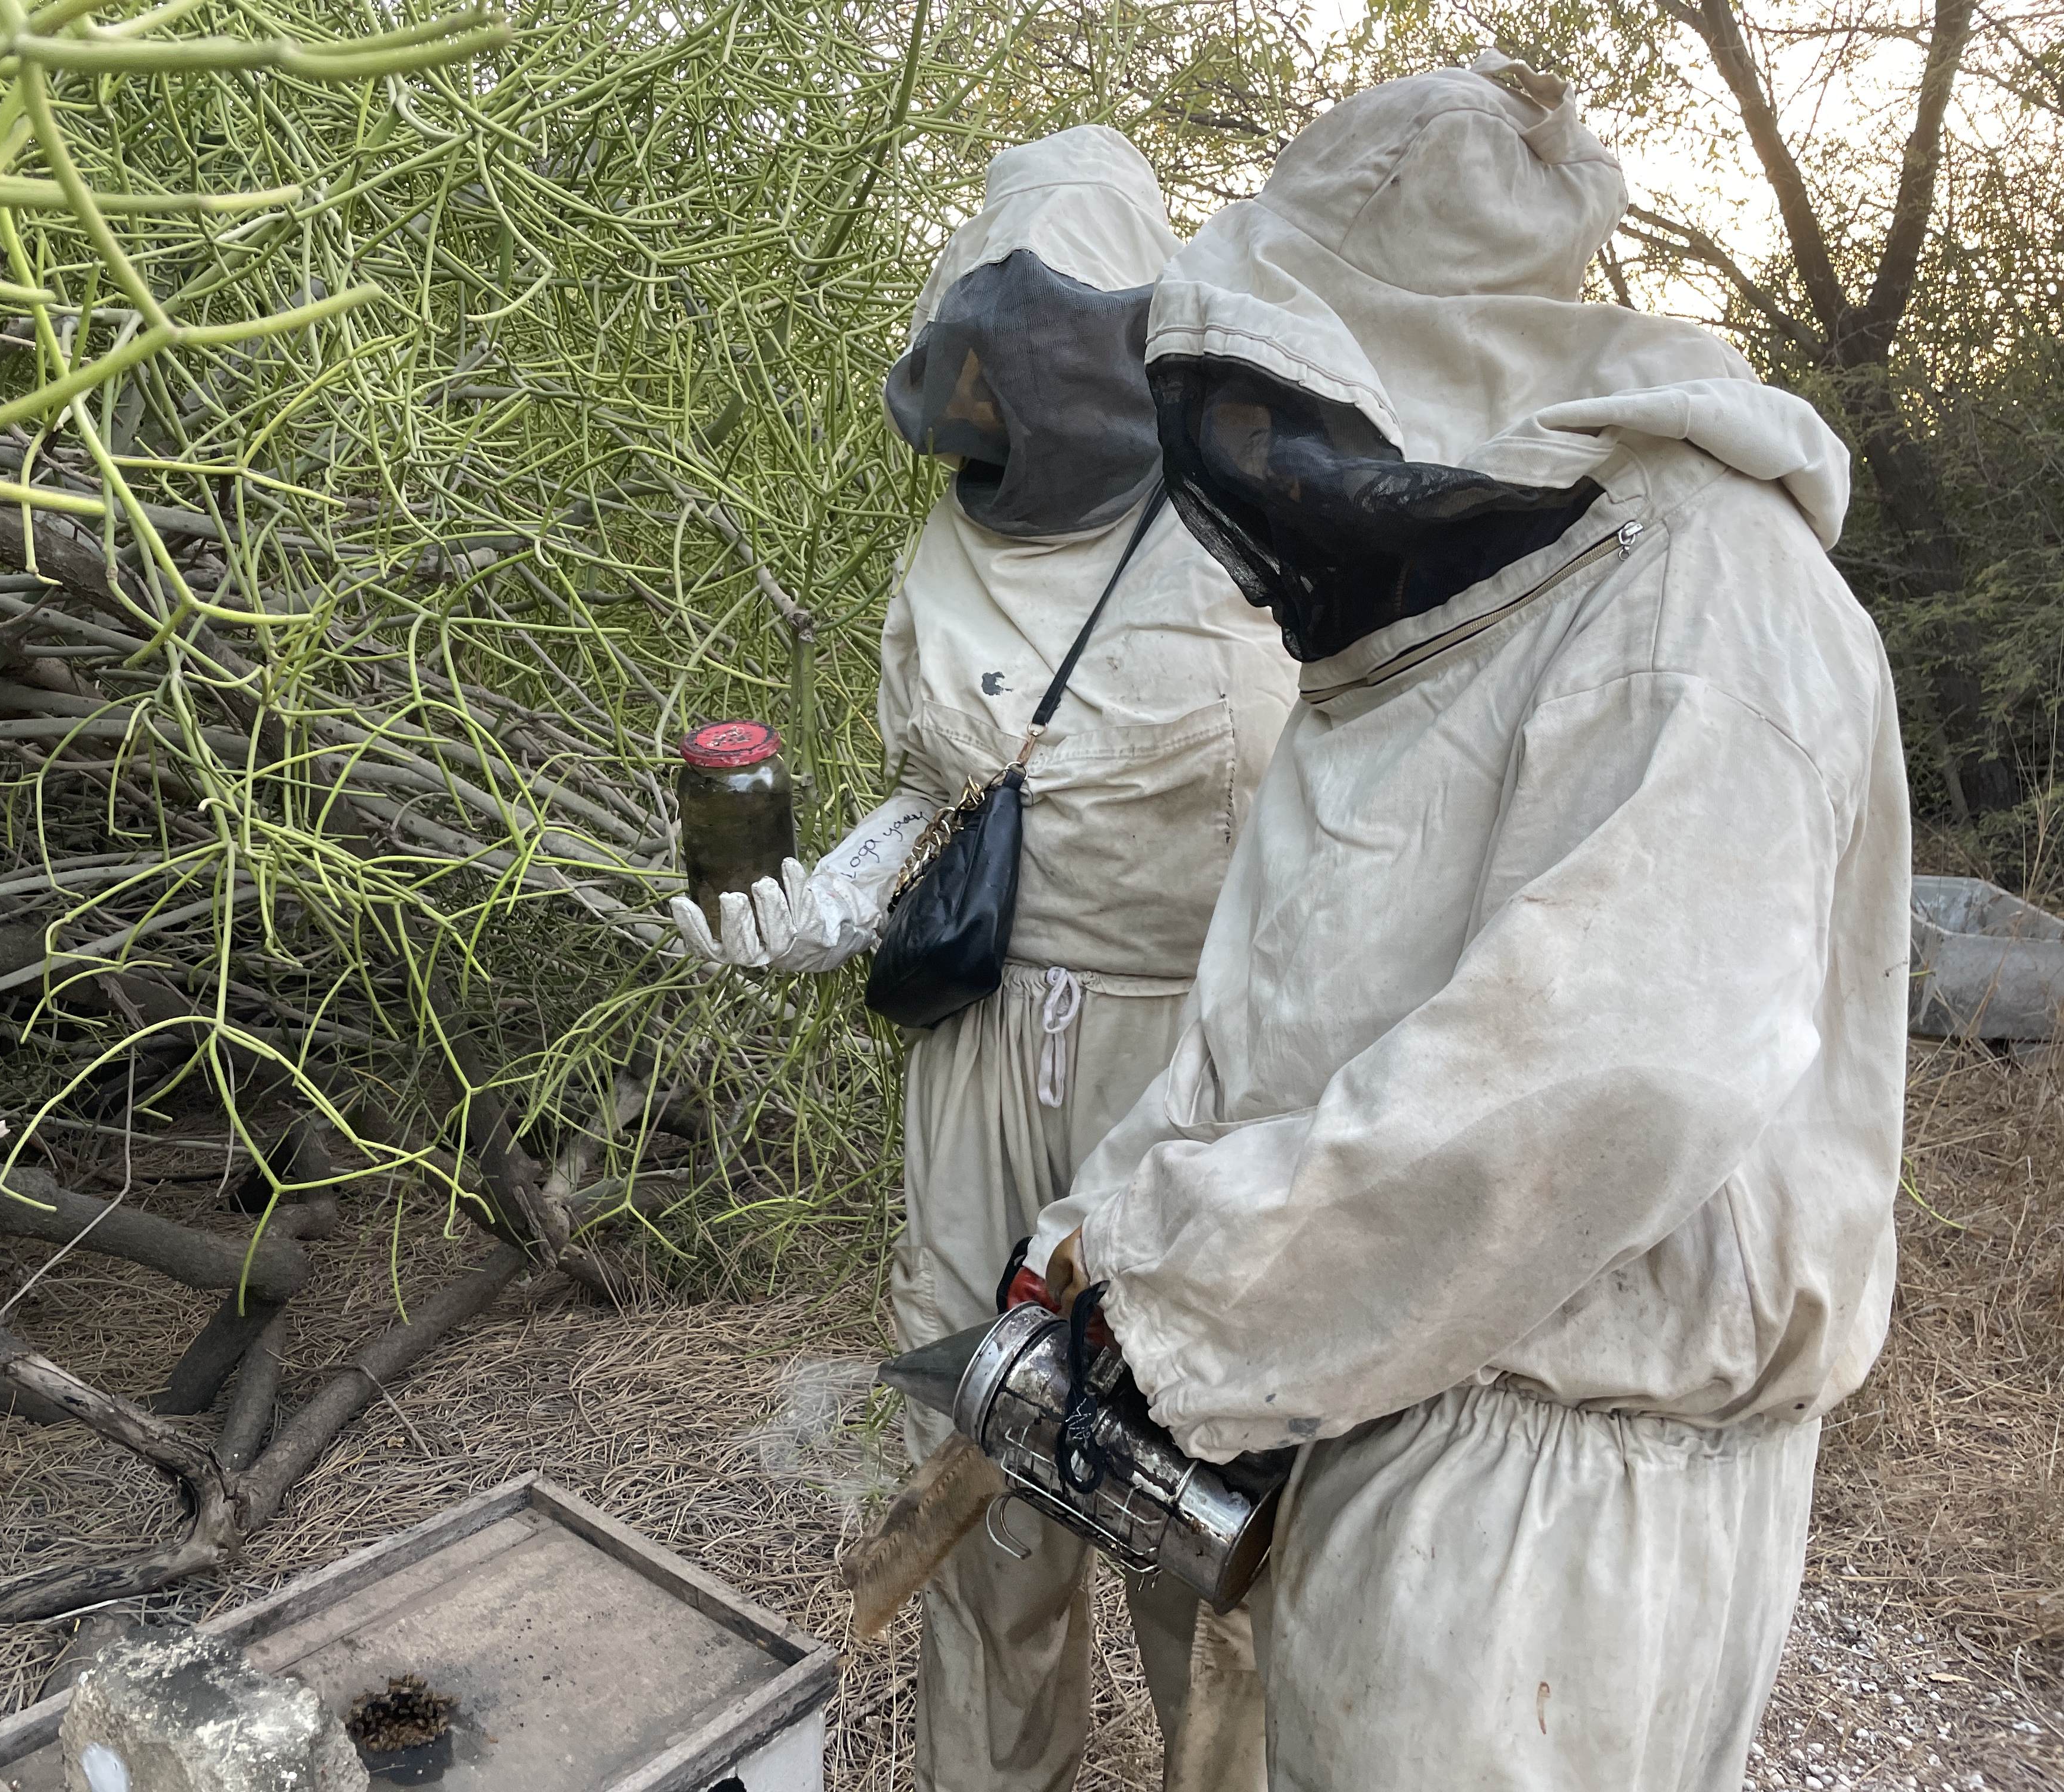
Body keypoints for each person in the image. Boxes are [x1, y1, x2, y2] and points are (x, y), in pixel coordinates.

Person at [1028, 53, 1910, 1792]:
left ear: (1416, 353)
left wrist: (1191, 1304)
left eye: (1286, 414)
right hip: (1411, 1401)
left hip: (1556, 1491)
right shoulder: (1462, 633)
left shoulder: (1701, 597)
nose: (1267, 474)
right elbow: (1295, 999)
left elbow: (1616, 1070)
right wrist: (1108, 1228)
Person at [673, 126, 1300, 1792]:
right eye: (999, 346)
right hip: (982, 1056)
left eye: (1065, 339)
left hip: (1198, 1068)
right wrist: (834, 899)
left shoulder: (1256, 512)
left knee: (1194, 1489)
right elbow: (950, 787)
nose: (1029, 376)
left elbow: (1354, 809)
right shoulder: (950, 545)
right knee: (985, 1469)